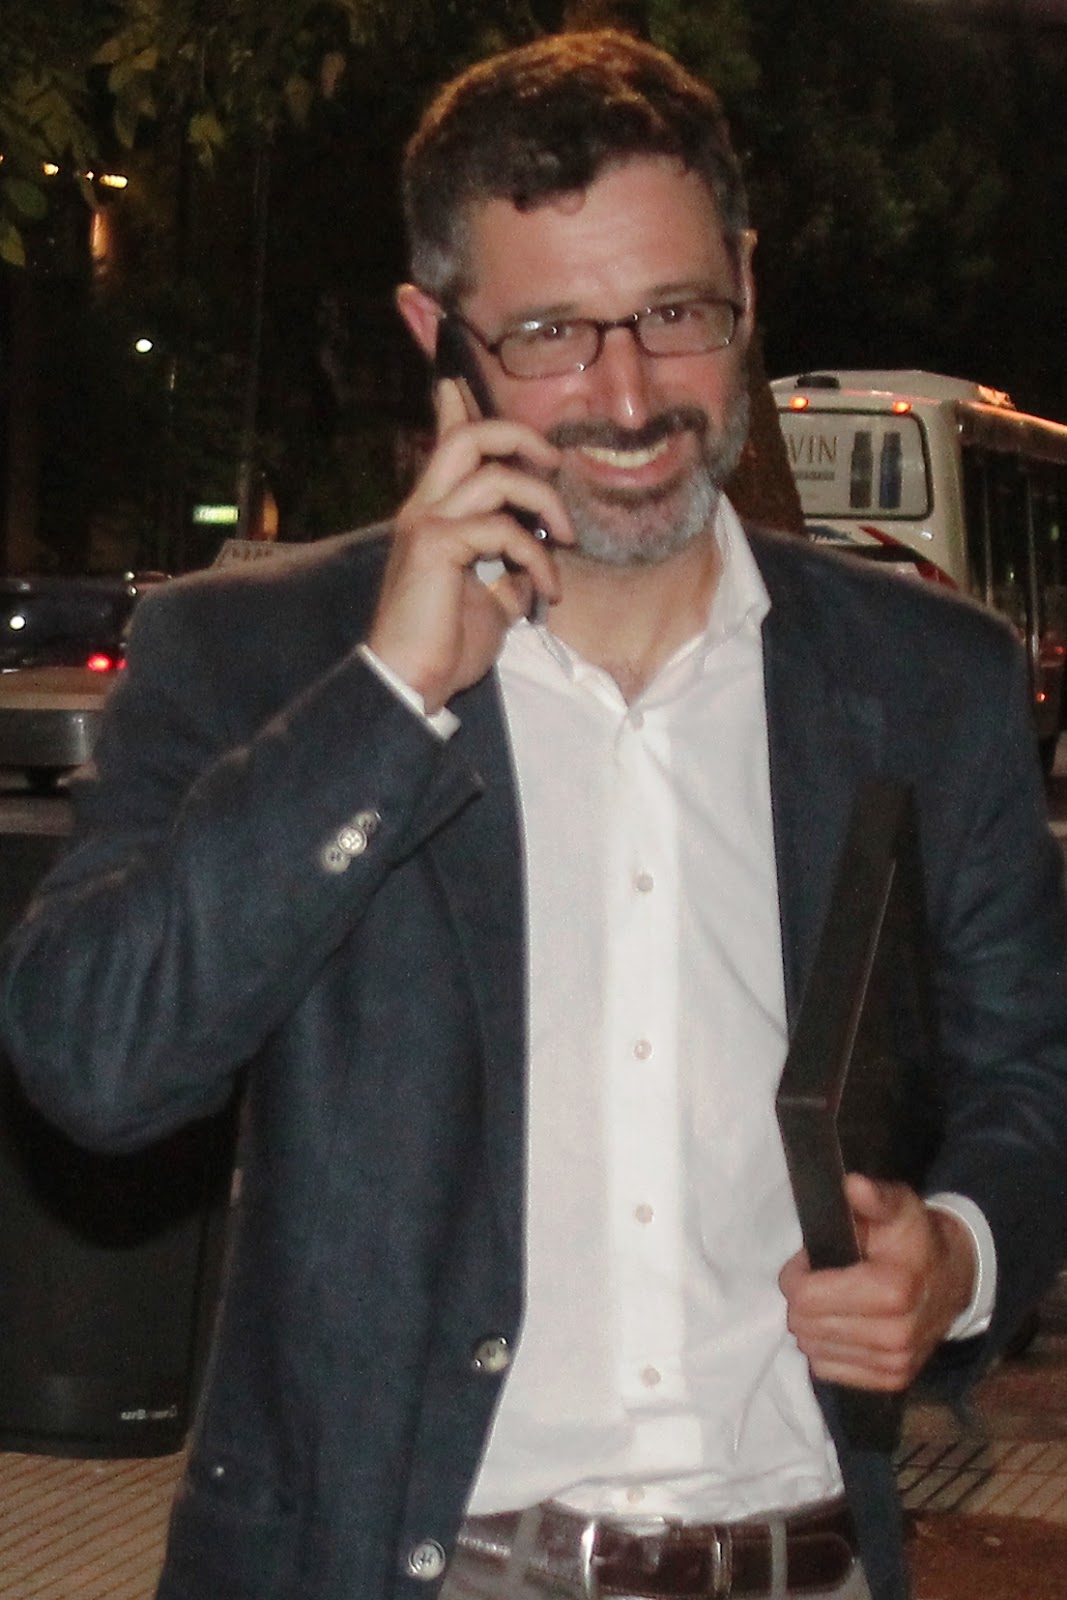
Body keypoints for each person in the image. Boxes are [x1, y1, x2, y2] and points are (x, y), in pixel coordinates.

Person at [3, 28, 1067, 1600]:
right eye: (553, 333)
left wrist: (959, 1255)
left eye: (677, 315)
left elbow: (1033, 1078)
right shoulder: (259, 659)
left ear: (747, 286)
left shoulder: (928, 680)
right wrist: (389, 697)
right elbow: (96, 1065)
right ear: (438, 339)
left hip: (811, 1559)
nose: (628, 396)